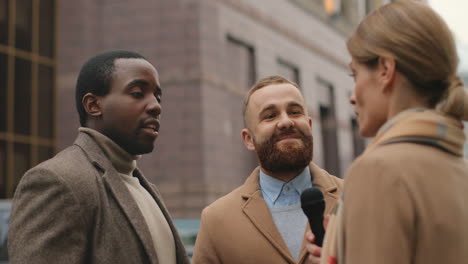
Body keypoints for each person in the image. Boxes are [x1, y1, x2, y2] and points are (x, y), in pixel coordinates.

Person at [307, 1, 468, 264]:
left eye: (354, 75)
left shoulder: (379, 171)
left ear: (385, 70)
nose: (352, 95)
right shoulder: (459, 167)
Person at [8, 50, 190, 264]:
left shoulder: (145, 188)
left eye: (157, 97)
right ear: (93, 105)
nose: (155, 106)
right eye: (138, 93)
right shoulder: (58, 181)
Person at [192, 75, 343, 264]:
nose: (286, 122)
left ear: (310, 125)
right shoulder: (216, 220)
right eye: (270, 116)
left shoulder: (355, 198)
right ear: (249, 139)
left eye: (295, 112)